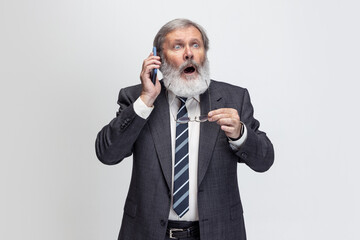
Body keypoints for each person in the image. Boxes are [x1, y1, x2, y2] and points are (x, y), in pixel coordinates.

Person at [95, 18, 274, 240]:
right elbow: (107, 154)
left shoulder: (233, 98)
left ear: (204, 54)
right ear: (157, 58)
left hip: (217, 233)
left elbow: (264, 160)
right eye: (178, 46)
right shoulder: (135, 98)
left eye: (195, 45)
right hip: (149, 233)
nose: (188, 53)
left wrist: (240, 133)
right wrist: (144, 101)